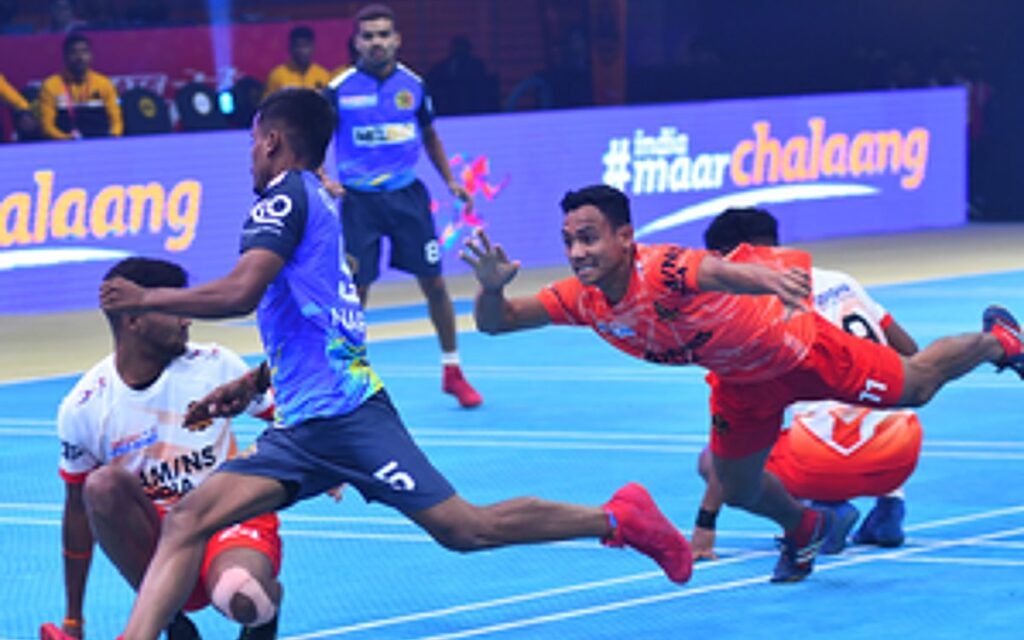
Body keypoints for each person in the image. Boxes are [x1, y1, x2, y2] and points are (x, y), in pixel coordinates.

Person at [100, 89, 691, 640]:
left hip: (351, 421)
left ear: (273, 141)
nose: (251, 153)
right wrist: (257, 381)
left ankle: (618, 518)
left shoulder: (284, 198)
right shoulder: (316, 199)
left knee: (465, 529)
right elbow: (324, 319)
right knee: (187, 520)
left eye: (254, 141)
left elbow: (240, 293)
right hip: (300, 429)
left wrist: (145, 298)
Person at [460, 184, 1024, 583]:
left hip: (801, 350)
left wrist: (765, 279)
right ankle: (805, 526)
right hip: (741, 382)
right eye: (568, 241)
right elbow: (496, 323)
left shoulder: (660, 268)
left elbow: (714, 269)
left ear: (625, 236)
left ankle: (999, 340)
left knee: (917, 387)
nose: (577, 253)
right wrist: (490, 288)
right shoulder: (580, 299)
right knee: (738, 485)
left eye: (589, 238)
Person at [43, 257, 283, 640]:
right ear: (133, 321)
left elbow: (284, 414)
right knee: (101, 486)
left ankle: (260, 612)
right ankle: (171, 621)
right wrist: (73, 619)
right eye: (174, 308)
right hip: (163, 540)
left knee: (244, 596)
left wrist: (317, 462)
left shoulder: (216, 365)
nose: (187, 319)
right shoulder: (85, 406)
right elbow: (76, 512)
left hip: (229, 519)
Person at [690, 208, 925, 561]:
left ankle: (821, 514)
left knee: (714, 460)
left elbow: (731, 440)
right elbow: (909, 351)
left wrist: (705, 524)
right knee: (873, 400)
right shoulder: (841, 280)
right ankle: (890, 508)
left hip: (823, 461)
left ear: (731, 258)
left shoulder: (751, 313)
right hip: (901, 453)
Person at [324, 3, 482, 408]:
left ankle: (453, 370)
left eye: (383, 34)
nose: (376, 42)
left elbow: (430, 136)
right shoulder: (338, 88)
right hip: (359, 202)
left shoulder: (414, 85)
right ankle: (347, 377)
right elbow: (315, 138)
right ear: (357, 42)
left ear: (397, 39)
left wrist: (450, 181)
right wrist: (324, 179)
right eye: (368, 36)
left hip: (407, 197)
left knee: (435, 284)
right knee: (356, 292)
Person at [39, 32, 123, 140]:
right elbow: (47, 126)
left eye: (84, 51)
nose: (80, 57)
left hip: (100, 142)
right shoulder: (50, 86)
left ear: (91, 56)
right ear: (65, 56)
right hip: (65, 144)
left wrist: (112, 138)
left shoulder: (104, 83)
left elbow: (116, 121)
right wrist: (67, 139)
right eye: (74, 52)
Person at [263, 26, 331, 98]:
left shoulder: (323, 75)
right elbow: (267, 103)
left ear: (313, 48)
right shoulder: (277, 75)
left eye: (305, 46)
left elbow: (329, 102)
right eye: (297, 46)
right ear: (290, 48)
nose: (301, 51)